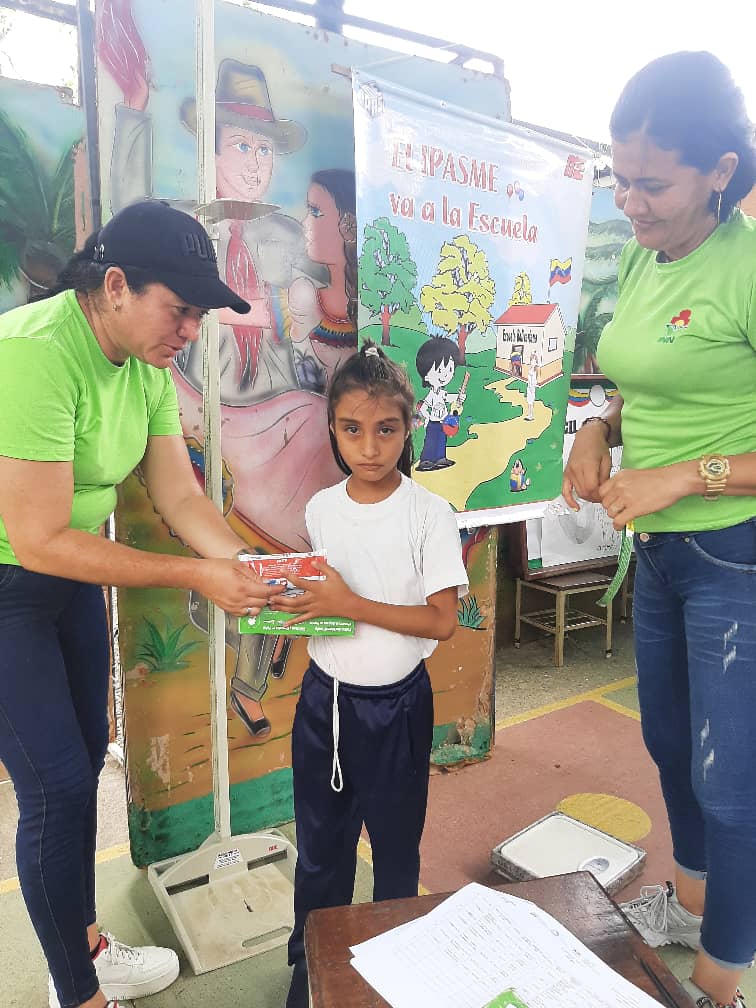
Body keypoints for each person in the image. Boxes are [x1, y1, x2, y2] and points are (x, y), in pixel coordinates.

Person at [0, 199, 282, 1008]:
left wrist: (255, 568)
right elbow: (38, 538)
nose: (190, 330)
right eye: (180, 309)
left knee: (85, 762)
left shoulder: (150, 366)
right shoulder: (34, 355)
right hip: (11, 578)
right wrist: (199, 578)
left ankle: (84, 944)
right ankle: (76, 991)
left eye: (198, 315)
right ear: (115, 286)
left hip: (69, 578)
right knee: (51, 788)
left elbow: (180, 499)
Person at [562, 51, 756, 1008]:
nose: (629, 204)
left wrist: (687, 473)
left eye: (652, 183)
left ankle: (724, 974)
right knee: (671, 742)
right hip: (661, 553)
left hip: (736, 555)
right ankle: (687, 902)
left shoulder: (749, 267)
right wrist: (601, 428)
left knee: (733, 780)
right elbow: (640, 382)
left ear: (720, 170)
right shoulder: (647, 252)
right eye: (618, 178)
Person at [277, 342, 469, 1007]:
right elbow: (326, 609)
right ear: (332, 427)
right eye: (352, 429)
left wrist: (344, 604)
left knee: (393, 851)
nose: (368, 445)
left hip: (396, 711)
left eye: (385, 429)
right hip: (322, 705)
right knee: (320, 851)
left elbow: (442, 620)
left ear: (408, 427)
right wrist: (292, 611)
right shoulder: (322, 510)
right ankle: (311, 968)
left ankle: (394, 968)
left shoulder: (428, 514)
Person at [289, 169, 359, 394]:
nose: (304, 222)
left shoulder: (377, 304)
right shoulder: (304, 296)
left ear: (349, 223)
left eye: (316, 212)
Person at [415, 336, 465, 471]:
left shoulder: (442, 393)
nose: (445, 375)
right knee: (431, 441)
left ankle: (440, 458)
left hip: (444, 421)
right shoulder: (431, 394)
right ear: (426, 375)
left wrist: (459, 397)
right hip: (433, 422)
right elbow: (424, 407)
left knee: (442, 440)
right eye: (439, 370)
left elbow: (448, 397)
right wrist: (426, 417)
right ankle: (426, 460)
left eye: (449, 370)